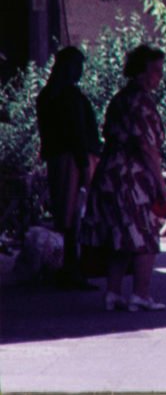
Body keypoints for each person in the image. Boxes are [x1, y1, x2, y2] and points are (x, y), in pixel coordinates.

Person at [80, 45, 166, 311]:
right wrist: (161, 187)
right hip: (133, 175)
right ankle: (140, 293)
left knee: (118, 236)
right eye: (156, 70)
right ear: (142, 72)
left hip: (110, 172)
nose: (159, 76)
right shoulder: (142, 102)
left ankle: (114, 292)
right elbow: (147, 147)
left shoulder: (119, 98)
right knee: (145, 236)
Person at [37, 45, 101, 290]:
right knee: (73, 215)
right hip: (72, 160)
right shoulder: (68, 97)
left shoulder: (48, 94)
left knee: (66, 214)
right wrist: (84, 164)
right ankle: (71, 269)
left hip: (58, 157)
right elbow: (77, 133)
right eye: (78, 66)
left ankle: (70, 267)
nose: (81, 71)